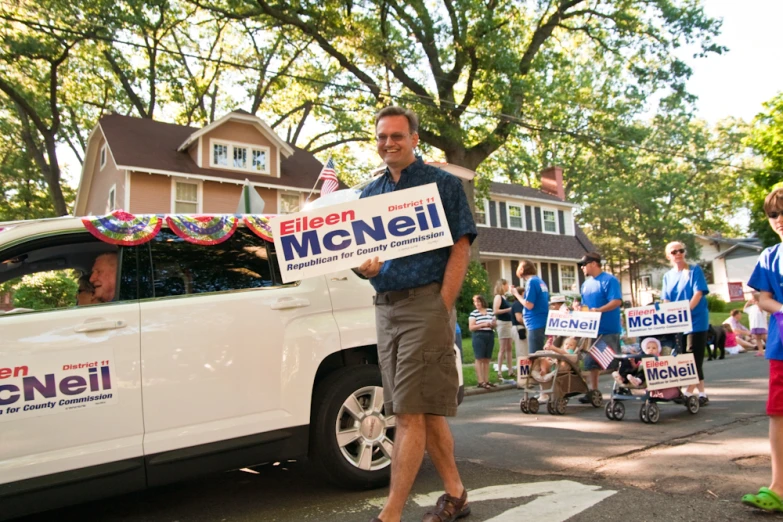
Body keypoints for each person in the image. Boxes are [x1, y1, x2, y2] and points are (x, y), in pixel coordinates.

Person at [358, 106, 476, 522]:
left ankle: (389, 515)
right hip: (385, 308)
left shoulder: (441, 184)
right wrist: (364, 268)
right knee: (420, 408)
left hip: (425, 305)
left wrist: (442, 304)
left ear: (414, 140)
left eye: (397, 136)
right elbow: (363, 256)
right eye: (382, 137)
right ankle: (456, 495)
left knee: (407, 413)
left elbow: (462, 245)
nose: (388, 143)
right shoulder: (369, 195)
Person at [742, 187, 783, 512]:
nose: (779, 220)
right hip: (780, 347)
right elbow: (764, 298)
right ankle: (778, 487)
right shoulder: (769, 256)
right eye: (773, 214)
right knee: (778, 413)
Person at [662, 241, 711, 406]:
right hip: (678, 321)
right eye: (674, 251)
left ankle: (688, 392)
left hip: (695, 319)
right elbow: (666, 298)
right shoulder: (667, 276)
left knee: (693, 356)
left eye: (681, 250)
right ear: (668, 255)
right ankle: (702, 393)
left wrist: (686, 312)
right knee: (683, 356)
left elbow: (698, 293)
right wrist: (669, 314)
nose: (678, 254)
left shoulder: (694, 270)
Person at [578, 252, 623, 403]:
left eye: (584, 265)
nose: (582, 268)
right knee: (591, 362)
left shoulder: (609, 280)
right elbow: (585, 305)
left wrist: (599, 310)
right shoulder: (585, 285)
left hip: (608, 328)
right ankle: (593, 391)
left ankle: (622, 386)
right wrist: (578, 308)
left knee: (613, 361)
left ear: (593, 263)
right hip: (591, 328)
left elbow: (616, 301)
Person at [512, 260, 549, 354]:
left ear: (522, 269)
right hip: (542, 321)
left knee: (535, 356)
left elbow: (529, 305)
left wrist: (516, 294)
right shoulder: (540, 281)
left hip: (535, 323)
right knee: (540, 354)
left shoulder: (531, 282)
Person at [469, 295, 496, 390]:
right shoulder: (474, 314)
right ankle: (480, 381)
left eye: (478, 302)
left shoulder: (489, 311)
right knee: (479, 358)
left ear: (482, 302)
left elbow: (494, 323)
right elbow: (471, 327)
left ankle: (486, 380)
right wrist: (483, 324)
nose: (477, 304)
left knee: (487, 359)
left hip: (489, 333)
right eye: (475, 302)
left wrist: (493, 324)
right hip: (479, 335)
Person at [493, 279, 514, 381]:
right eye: (507, 284)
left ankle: (510, 369)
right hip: (503, 323)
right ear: (503, 285)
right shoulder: (498, 297)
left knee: (509, 347)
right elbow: (496, 311)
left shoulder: (505, 297)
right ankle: (500, 371)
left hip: (509, 323)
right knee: (502, 348)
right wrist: (508, 309)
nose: (508, 286)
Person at [510, 286, 528, 361]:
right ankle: (523, 372)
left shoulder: (520, 304)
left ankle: (525, 371)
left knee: (525, 350)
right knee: (522, 352)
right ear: (520, 294)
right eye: (525, 293)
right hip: (519, 329)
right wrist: (529, 324)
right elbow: (519, 318)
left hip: (521, 328)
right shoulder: (518, 304)